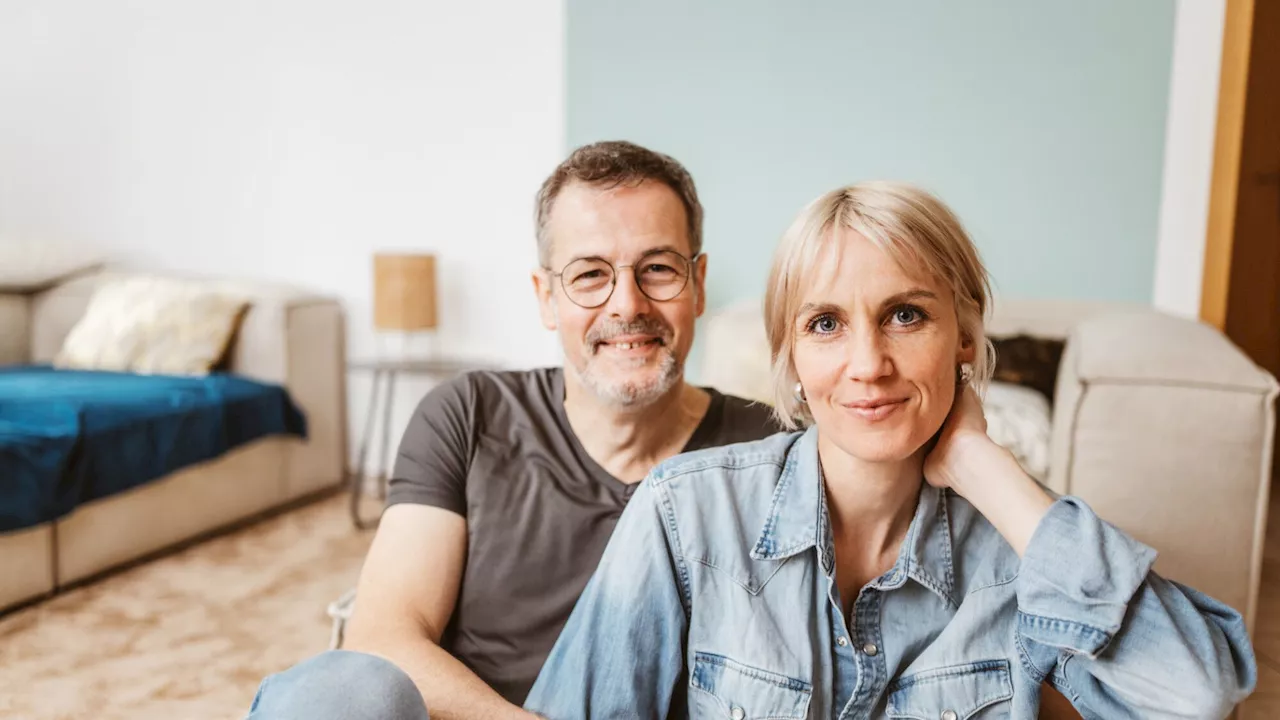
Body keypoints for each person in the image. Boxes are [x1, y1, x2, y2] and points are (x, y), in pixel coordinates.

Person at [524, 182, 1258, 718]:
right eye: (825, 325)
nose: (868, 362)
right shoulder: (685, 514)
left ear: (964, 338)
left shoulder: (1025, 553)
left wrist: (984, 467)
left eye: (906, 316)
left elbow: (1196, 694)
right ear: (792, 359)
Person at [242, 141, 780, 720]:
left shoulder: (769, 450)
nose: (627, 303)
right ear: (546, 297)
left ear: (697, 284)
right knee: (339, 690)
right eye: (590, 275)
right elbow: (383, 635)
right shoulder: (470, 414)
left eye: (657, 269)